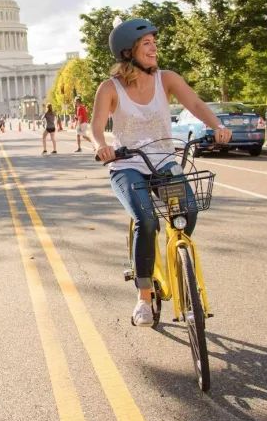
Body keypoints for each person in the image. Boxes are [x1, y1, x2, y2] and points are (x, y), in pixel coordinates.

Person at [91, 18, 231, 326]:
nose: (154, 48)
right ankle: (143, 297)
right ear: (129, 52)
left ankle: (179, 269)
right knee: (147, 219)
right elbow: (97, 127)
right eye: (147, 44)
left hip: (163, 162)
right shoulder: (110, 88)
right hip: (127, 165)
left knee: (188, 212)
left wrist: (217, 125)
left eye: (155, 42)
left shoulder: (166, 79)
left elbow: (194, 103)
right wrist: (103, 145)